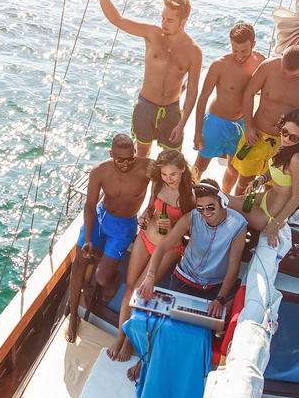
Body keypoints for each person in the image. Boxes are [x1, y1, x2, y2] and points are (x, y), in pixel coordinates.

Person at [127, 179, 247, 380]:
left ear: (223, 202)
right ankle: (145, 361)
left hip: (213, 288)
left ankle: (184, 373)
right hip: (184, 278)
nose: (205, 213)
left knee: (199, 336)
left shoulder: (238, 225)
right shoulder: (192, 217)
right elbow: (163, 247)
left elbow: (233, 266)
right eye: (201, 208)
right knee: (162, 324)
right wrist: (150, 276)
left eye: (211, 207)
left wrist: (220, 298)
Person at [90, 0, 203, 157]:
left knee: (172, 159)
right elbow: (117, 19)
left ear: (183, 22)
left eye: (169, 20)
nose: (164, 23)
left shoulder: (194, 52)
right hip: (146, 106)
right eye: (163, 18)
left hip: (172, 111)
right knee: (142, 155)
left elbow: (192, 92)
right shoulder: (152, 34)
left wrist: (182, 125)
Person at [107, 149, 196, 362]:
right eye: (164, 174)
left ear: (182, 170)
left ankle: (129, 341)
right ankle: (120, 337)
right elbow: (149, 208)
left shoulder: (188, 197)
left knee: (140, 292)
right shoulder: (157, 184)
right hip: (145, 237)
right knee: (129, 288)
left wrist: (173, 224)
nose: (168, 179)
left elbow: (191, 232)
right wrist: (145, 217)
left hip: (167, 248)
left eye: (173, 174)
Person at [66, 134, 152, 343]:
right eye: (119, 160)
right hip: (101, 217)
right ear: (111, 154)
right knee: (79, 262)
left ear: (135, 153)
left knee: (102, 278)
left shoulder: (147, 168)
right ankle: (73, 315)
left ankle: (112, 276)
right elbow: (89, 205)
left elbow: (166, 180)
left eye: (130, 159)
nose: (125, 164)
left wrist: (150, 209)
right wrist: (88, 238)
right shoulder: (99, 172)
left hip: (124, 225)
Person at [228, 44, 299, 194]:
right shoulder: (268, 66)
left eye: (294, 75)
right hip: (257, 134)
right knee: (244, 181)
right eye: (284, 71)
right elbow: (249, 93)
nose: (287, 77)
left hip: (286, 143)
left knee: (272, 187)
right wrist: (248, 126)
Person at [192, 21, 265, 184]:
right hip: (216, 122)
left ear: (253, 44)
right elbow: (203, 98)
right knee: (200, 166)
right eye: (235, 50)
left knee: (234, 168)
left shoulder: (260, 61)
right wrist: (197, 132)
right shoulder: (219, 65)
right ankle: (188, 195)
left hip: (241, 123)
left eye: (244, 51)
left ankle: (225, 195)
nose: (239, 55)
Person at [236, 108, 299, 248]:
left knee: (224, 202)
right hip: (265, 199)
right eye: (284, 132)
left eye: (293, 138)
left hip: (271, 215)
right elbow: (273, 169)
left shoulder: (297, 159)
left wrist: (276, 224)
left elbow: (298, 196)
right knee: (226, 202)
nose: (286, 139)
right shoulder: (284, 147)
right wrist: (261, 179)